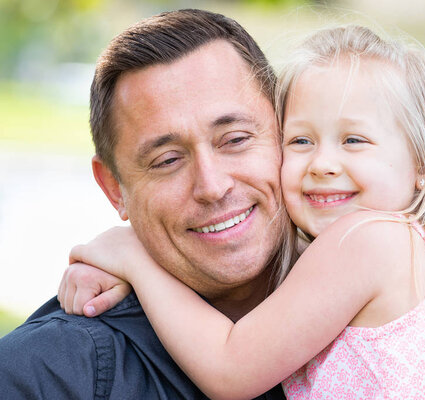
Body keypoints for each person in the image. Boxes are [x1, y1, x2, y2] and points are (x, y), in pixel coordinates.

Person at [61, 25, 425, 399]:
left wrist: (133, 257)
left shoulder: (366, 240)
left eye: (354, 140)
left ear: (423, 165)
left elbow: (230, 369)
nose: (322, 164)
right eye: (300, 141)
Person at [0, 9, 293, 399]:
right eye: (167, 161)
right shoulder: (48, 372)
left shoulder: (387, 303)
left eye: (235, 139)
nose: (212, 186)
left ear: (290, 133)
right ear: (114, 188)